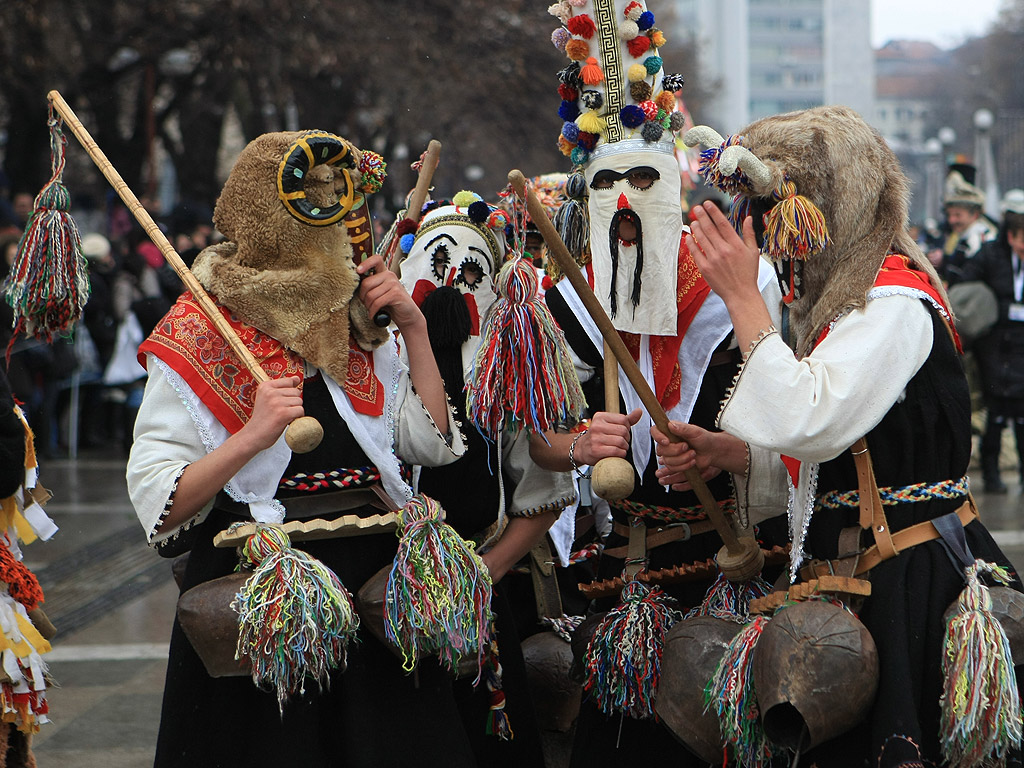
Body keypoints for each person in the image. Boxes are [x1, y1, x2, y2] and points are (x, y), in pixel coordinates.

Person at [666, 106, 1021, 767]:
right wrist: (737, 455)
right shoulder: (841, 307)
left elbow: (814, 420)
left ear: (836, 206)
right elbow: (840, 461)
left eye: (781, 208)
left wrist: (745, 303)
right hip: (858, 576)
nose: (771, 234)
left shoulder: (893, 304)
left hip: (904, 584)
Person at [127, 130, 484, 767]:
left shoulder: (358, 320)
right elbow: (162, 502)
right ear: (270, 219)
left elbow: (428, 445)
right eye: (322, 212)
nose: (347, 233)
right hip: (264, 593)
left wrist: (416, 329)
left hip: (377, 590)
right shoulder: (199, 328)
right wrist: (252, 436)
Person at [533, 2, 785, 764]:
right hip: (618, 582)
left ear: (677, 186)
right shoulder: (564, 300)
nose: (625, 205)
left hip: (730, 566)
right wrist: (574, 444)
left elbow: (798, 428)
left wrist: (727, 453)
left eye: (645, 182)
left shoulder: (748, 287)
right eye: (606, 187)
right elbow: (529, 445)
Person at [397, 190, 578, 766]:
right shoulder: (375, 360)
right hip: (386, 595)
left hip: (480, 585)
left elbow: (544, 493)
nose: (450, 278)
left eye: (469, 268)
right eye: (436, 262)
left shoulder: (504, 370)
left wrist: (484, 572)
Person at [955, 188, 1024, 494]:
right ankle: (992, 475)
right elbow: (965, 283)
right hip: (995, 343)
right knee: (996, 409)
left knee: (1021, 413)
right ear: (1010, 234)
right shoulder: (990, 254)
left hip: (1021, 343)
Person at [928, 166, 997, 282]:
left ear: (974, 215)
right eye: (950, 215)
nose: (952, 220)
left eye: (958, 215)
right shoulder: (960, 235)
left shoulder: (982, 237)